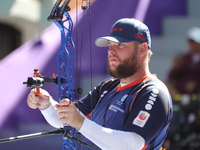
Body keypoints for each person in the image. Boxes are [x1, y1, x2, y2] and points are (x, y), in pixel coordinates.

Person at [27, 18, 173, 150]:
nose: (111, 51)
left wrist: (80, 123)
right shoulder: (108, 86)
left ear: (142, 49)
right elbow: (66, 120)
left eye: (120, 44)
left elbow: (132, 145)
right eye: (110, 45)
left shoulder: (153, 92)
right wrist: (46, 104)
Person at [167, 27, 200, 96]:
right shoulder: (184, 58)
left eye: (195, 43)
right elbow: (172, 77)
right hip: (181, 93)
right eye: (191, 42)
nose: (192, 45)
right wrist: (176, 67)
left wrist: (195, 84)